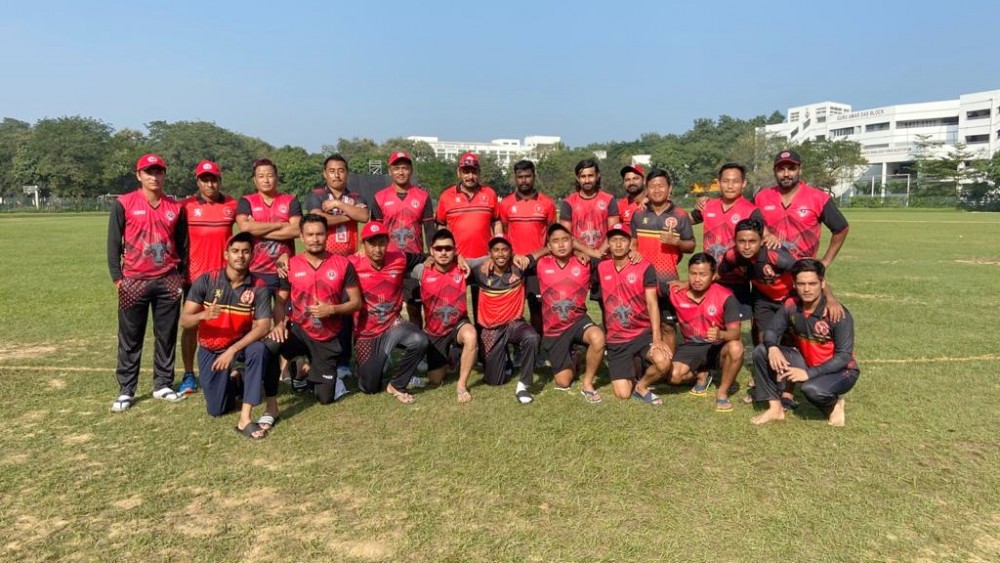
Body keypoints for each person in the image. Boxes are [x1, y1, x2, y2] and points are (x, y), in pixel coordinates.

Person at [107, 154, 189, 412]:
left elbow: (183, 244)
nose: (154, 177)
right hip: (134, 281)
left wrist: (181, 276)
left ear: (164, 175)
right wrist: (118, 278)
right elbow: (113, 243)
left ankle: (163, 384)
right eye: (148, 172)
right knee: (130, 338)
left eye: (158, 172)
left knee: (166, 335)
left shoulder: (175, 207)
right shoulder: (124, 203)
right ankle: (126, 390)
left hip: (167, 280)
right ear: (139, 175)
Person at [179, 232, 272, 439]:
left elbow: (264, 327)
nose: (240, 256)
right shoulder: (207, 280)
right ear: (226, 254)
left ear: (252, 255)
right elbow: (184, 321)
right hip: (211, 347)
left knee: (258, 348)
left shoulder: (259, 286)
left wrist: (232, 350)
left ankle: (245, 419)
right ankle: (237, 379)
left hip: (239, 346)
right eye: (235, 251)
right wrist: (203, 315)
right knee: (217, 410)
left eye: (246, 252)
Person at [267, 214, 363, 405]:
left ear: (327, 235)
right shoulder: (290, 266)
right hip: (299, 331)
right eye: (309, 235)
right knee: (269, 346)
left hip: (327, 338)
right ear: (301, 237)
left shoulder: (343, 264)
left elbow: (356, 303)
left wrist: (332, 309)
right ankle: (271, 392)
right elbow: (279, 302)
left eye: (319, 234)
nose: (315, 239)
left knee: (324, 398)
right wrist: (279, 324)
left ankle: (305, 369)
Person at [750, 259, 859, 427]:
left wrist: (809, 374)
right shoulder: (791, 305)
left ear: (822, 283)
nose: (806, 289)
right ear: (794, 284)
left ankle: (834, 404)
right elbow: (771, 330)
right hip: (806, 363)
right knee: (761, 351)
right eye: (801, 284)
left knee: (812, 390)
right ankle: (775, 409)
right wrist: (772, 348)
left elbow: (844, 356)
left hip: (841, 370)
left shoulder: (837, 314)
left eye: (812, 283)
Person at [349, 221, 430, 403]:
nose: (378, 249)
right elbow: (325, 265)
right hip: (366, 333)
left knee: (420, 341)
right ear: (364, 245)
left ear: (388, 242)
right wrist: (285, 260)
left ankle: (397, 383)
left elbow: (424, 257)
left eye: (382, 243)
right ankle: (371, 364)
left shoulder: (399, 258)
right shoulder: (352, 263)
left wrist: (430, 259)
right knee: (370, 387)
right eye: (372, 244)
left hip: (393, 325)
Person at [177, 160, 237, 395]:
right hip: (194, 279)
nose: (210, 183)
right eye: (205, 179)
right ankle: (189, 375)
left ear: (220, 180)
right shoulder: (186, 206)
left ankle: (230, 369)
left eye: (214, 179)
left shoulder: (232, 204)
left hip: (225, 279)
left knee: (228, 325)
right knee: (191, 326)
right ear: (198, 181)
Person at [596, 224, 671, 403]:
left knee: (663, 362)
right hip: (617, 339)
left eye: (623, 240)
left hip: (642, 334)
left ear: (631, 243)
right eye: (614, 240)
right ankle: (633, 366)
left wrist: (657, 337)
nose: (618, 244)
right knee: (622, 394)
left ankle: (642, 386)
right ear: (608, 243)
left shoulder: (645, 267)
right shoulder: (600, 267)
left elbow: (653, 304)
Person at [531, 224, 605, 403]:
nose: (561, 245)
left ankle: (587, 383)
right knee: (563, 382)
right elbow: (523, 260)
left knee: (598, 337)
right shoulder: (541, 264)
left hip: (578, 321)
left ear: (573, 242)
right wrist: (543, 251)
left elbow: (612, 257)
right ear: (549, 245)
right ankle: (576, 356)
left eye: (565, 240)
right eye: (555, 241)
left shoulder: (584, 262)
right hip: (555, 330)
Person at [664, 254, 744, 411]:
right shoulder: (676, 291)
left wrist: (721, 334)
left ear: (713, 276)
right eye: (693, 274)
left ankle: (722, 392)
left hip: (717, 347)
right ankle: (702, 373)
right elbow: (648, 287)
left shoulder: (726, 296)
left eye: (703, 274)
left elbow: (735, 333)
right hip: (691, 346)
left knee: (736, 347)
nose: (697, 279)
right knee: (673, 377)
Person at [468, 235, 540, 404]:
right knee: (495, 381)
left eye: (505, 250)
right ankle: (504, 358)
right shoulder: (479, 271)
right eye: (496, 250)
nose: (500, 254)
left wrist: (517, 257)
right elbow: (458, 263)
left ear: (511, 252)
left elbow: (542, 252)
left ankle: (523, 385)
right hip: (490, 328)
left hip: (513, 324)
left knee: (532, 337)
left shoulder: (519, 267)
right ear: (489, 253)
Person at [629, 168, 695, 351]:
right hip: (642, 281)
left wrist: (677, 242)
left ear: (669, 188)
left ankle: (669, 367)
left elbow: (691, 246)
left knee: (667, 326)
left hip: (667, 281)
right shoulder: (639, 214)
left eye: (661, 186)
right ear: (646, 189)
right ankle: (647, 362)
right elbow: (633, 242)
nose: (657, 190)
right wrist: (632, 250)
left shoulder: (680, 215)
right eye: (652, 186)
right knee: (643, 324)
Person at [408, 229, 479, 402]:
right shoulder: (421, 270)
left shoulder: (463, 268)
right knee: (435, 380)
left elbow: (491, 257)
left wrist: (461, 257)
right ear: (431, 250)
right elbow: (398, 261)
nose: (443, 252)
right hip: (435, 332)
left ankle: (461, 385)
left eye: (448, 248)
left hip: (458, 324)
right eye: (438, 249)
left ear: (454, 250)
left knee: (471, 335)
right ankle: (452, 356)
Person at [370, 151, 436, 327]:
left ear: (411, 171)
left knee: (415, 306)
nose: (401, 172)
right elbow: (375, 232)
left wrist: (432, 254)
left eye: (405, 168)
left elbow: (430, 229)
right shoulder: (379, 197)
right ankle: (387, 347)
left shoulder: (422, 196)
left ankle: (418, 349)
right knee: (387, 306)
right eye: (397, 168)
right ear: (390, 171)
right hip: (388, 259)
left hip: (414, 259)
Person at [691, 163, 763, 321]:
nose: (730, 186)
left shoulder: (751, 211)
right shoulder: (707, 206)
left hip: (737, 280)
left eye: (735, 181)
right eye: (726, 181)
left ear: (743, 183)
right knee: (710, 324)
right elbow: (685, 221)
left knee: (733, 328)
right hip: (709, 279)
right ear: (718, 182)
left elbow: (759, 242)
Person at [755, 150, 849, 265]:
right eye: (781, 169)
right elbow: (747, 219)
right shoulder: (761, 197)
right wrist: (766, 233)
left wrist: (825, 261)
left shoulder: (818, 198)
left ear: (800, 169)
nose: (786, 174)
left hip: (802, 274)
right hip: (768, 274)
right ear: (774, 171)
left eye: (791, 168)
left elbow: (841, 228)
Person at [436, 152, 499, 322]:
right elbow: (440, 227)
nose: (470, 176)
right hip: (457, 260)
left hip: (484, 260)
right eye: (466, 171)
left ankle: (482, 342)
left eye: (473, 171)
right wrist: (452, 253)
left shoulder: (490, 193)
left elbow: (496, 223)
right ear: (459, 172)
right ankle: (461, 342)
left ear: (479, 172)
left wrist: (496, 253)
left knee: (483, 307)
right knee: (456, 304)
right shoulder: (446, 196)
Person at [496, 159, 557, 336]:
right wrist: (512, 256)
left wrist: (538, 255)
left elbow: (553, 238)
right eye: (520, 177)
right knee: (512, 309)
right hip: (513, 264)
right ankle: (515, 346)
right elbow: (504, 233)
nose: (524, 180)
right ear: (515, 178)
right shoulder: (506, 204)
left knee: (537, 308)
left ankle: (537, 345)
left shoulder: (547, 203)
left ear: (534, 177)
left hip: (538, 265)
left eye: (527, 176)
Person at [235, 159, 302, 293]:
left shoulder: (290, 200)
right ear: (255, 180)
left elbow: (296, 230)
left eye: (270, 175)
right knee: (258, 312)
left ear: (277, 178)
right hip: (254, 269)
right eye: (261, 176)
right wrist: (280, 225)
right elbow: (245, 228)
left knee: (283, 311)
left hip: (284, 267)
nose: (266, 180)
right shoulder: (246, 201)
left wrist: (257, 229)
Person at [305, 154, 369, 256]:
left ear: (347, 173)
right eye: (332, 171)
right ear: (325, 174)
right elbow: (318, 220)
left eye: (341, 171)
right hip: (324, 257)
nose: (336, 175)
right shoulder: (317, 195)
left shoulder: (355, 197)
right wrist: (351, 215)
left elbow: (364, 216)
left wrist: (338, 204)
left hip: (351, 257)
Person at [559, 158, 620, 256]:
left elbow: (614, 232)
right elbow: (565, 236)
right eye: (583, 176)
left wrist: (599, 253)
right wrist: (584, 253)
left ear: (597, 176)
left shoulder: (609, 200)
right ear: (577, 178)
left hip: (604, 257)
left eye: (590, 176)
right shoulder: (568, 202)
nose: (587, 180)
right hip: (578, 258)